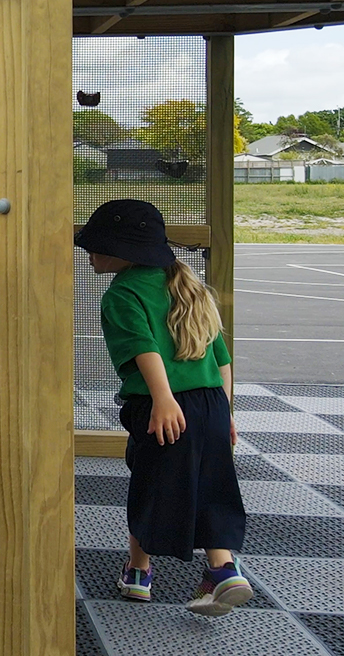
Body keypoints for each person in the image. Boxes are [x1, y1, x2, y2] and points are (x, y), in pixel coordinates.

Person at [75, 199, 251, 617]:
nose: (89, 253)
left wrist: (163, 398)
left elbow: (144, 349)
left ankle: (139, 572)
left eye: (97, 246)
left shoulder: (121, 293)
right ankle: (223, 570)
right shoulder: (187, 287)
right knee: (211, 484)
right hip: (211, 403)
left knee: (150, 484)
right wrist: (226, 413)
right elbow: (222, 359)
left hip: (161, 404)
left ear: (124, 252)